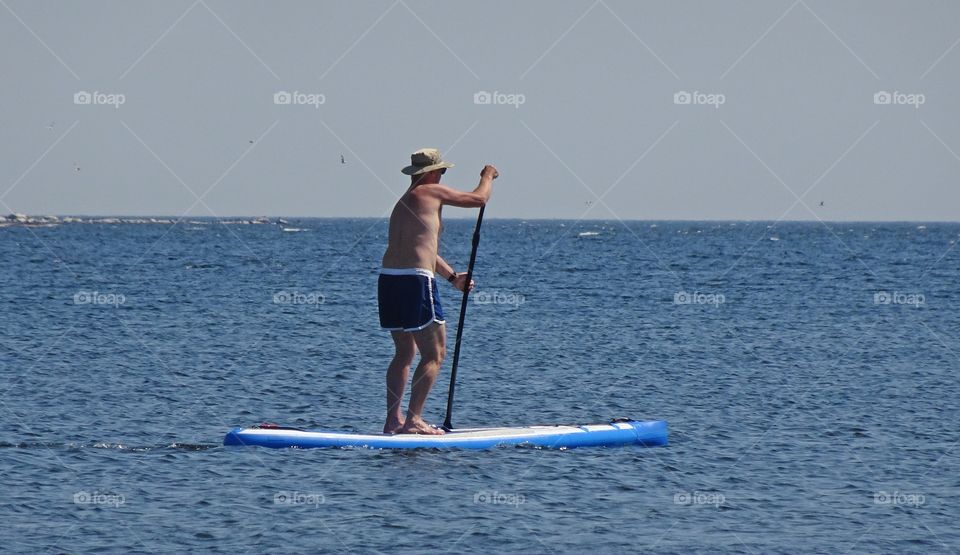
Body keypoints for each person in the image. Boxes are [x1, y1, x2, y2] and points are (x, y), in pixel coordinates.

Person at [378, 148, 498, 434]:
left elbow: (423, 249)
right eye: (442, 172)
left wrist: (453, 277)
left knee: (404, 352)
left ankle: (393, 420)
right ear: (433, 173)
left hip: (390, 279)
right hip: (414, 282)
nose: (442, 178)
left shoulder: (404, 202)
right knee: (435, 354)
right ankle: (414, 420)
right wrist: (487, 175)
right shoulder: (430, 192)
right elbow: (479, 199)